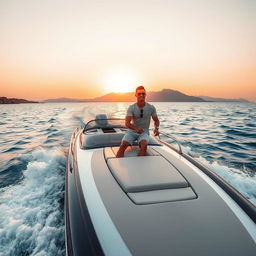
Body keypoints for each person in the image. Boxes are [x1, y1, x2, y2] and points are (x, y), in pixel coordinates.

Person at [116, 86, 160, 157]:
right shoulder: (132, 108)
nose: (141, 95)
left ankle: (140, 165)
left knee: (144, 145)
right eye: (139, 93)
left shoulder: (151, 107)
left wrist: (156, 128)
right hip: (132, 131)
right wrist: (136, 129)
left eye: (143, 93)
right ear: (135, 95)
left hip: (144, 132)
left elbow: (156, 120)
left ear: (145, 94)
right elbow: (127, 123)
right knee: (123, 145)